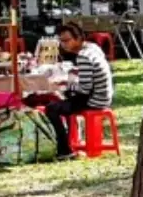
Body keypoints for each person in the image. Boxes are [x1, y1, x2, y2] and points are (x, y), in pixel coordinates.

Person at [47, 23, 113, 160]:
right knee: (64, 102)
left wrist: (66, 85)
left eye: (67, 40)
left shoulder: (83, 56)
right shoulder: (93, 48)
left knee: (52, 108)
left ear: (78, 38)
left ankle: (64, 150)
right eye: (61, 41)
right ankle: (70, 142)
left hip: (94, 100)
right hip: (104, 95)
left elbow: (84, 89)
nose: (63, 44)